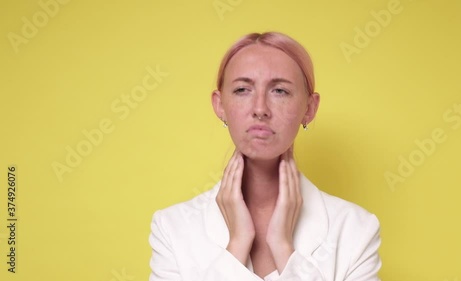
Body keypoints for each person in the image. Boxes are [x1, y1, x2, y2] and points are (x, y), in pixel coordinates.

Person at [148, 31, 381, 281]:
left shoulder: (357, 229)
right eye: (242, 90)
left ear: (309, 108)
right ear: (220, 105)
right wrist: (237, 245)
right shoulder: (172, 228)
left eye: (279, 91)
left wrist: (283, 247)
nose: (260, 109)